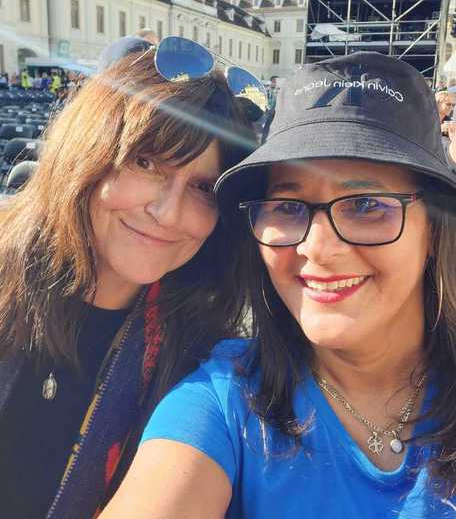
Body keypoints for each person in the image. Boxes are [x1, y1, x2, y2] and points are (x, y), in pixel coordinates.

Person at [101, 52, 456, 518]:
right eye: (288, 207)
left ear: (434, 229)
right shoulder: (223, 401)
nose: (318, 248)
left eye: (366, 204)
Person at [0, 36, 255, 519]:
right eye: (146, 162)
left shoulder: (203, 360)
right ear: (88, 153)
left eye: (203, 187)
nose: (168, 213)